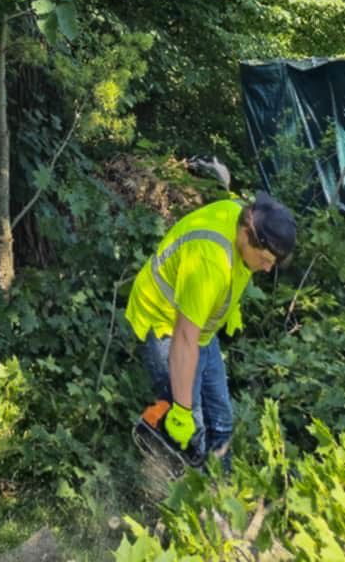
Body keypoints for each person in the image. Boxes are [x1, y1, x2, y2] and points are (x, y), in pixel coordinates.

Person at [126, 191, 297, 472]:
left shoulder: (245, 217)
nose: (267, 269)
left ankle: (222, 492)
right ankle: (183, 495)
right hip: (168, 325)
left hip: (201, 325)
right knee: (192, 431)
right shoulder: (210, 260)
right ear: (246, 234)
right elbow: (184, 338)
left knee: (222, 422)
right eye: (265, 259)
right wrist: (182, 411)